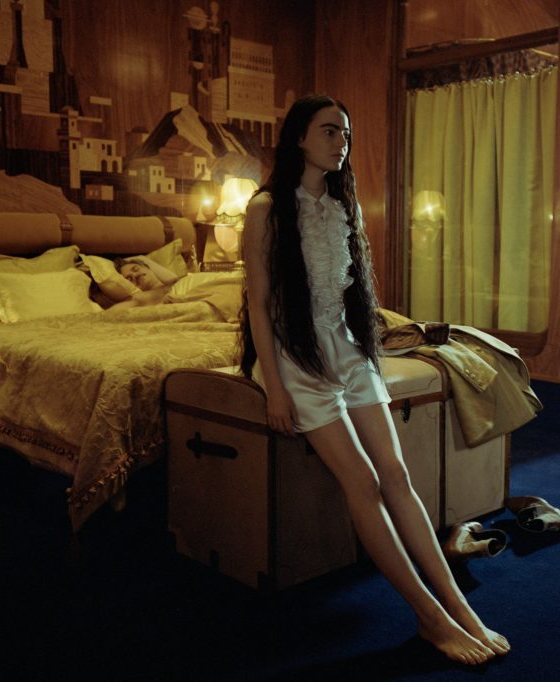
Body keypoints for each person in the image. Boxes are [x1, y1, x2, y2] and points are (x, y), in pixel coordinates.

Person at [240, 94, 509, 666]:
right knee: (363, 482)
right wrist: (276, 389)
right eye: (328, 131)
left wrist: (371, 346)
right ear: (298, 138)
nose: (341, 142)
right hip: (295, 356)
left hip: (347, 348)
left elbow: (350, 295)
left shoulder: (344, 204)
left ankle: (459, 606)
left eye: (345, 132)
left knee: (397, 475)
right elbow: (259, 306)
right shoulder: (266, 208)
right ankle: (430, 618)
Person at [110, 256, 177, 309]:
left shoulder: (177, 281)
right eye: (129, 279)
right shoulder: (140, 298)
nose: (135, 275)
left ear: (147, 268)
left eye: (136, 269)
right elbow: (111, 314)